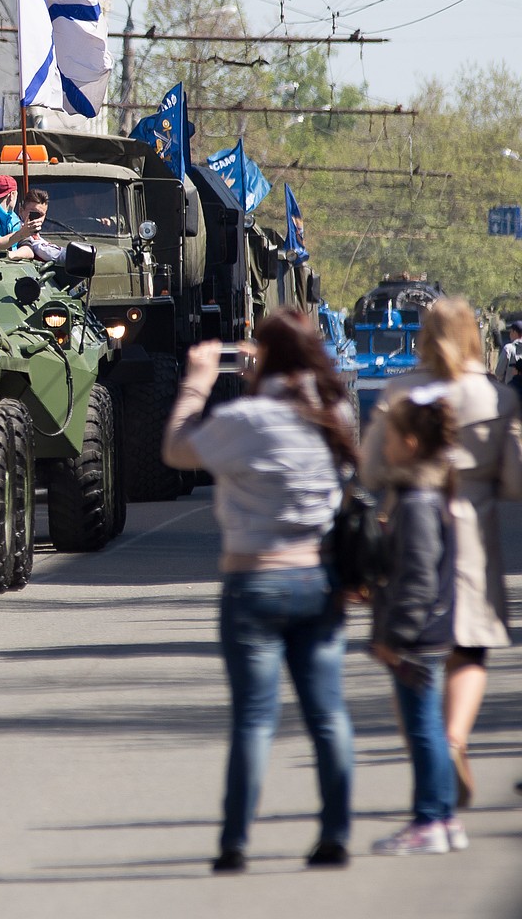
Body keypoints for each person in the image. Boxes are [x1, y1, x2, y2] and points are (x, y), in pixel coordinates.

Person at [162, 309, 356, 872]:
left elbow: (177, 450)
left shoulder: (246, 418)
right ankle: (335, 833)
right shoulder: (335, 415)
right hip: (318, 579)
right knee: (327, 714)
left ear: (263, 359)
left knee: (253, 718)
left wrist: (198, 383)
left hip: (253, 579)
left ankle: (235, 842)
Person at [360, 296, 522, 809]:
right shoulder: (497, 398)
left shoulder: (401, 390)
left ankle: (429, 752)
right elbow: (516, 479)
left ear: (423, 338)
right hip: (472, 529)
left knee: (407, 647)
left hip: (408, 521)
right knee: (468, 644)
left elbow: (369, 470)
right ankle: (453, 739)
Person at [368, 387, 465, 856]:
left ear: (410, 443)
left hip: (419, 637)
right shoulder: (424, 493)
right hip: (428, 631)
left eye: (388, 436)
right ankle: (445, 817)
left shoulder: (418, 501)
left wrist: (396, 636)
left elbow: (418, 579)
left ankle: (431, 818)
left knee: (424, 728)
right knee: (428, 727)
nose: (383, 445)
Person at [6, 188, 67, 264]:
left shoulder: (36, 236)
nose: (37, 219)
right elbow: (43, 250)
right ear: (21, 211)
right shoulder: (15, 229)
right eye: (33, 214)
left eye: (41, 215)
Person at [493, 319, 522, 400]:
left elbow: (498, 372)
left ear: (514, 332)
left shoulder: (508, 348)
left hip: (510, 393)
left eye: (511, 332)